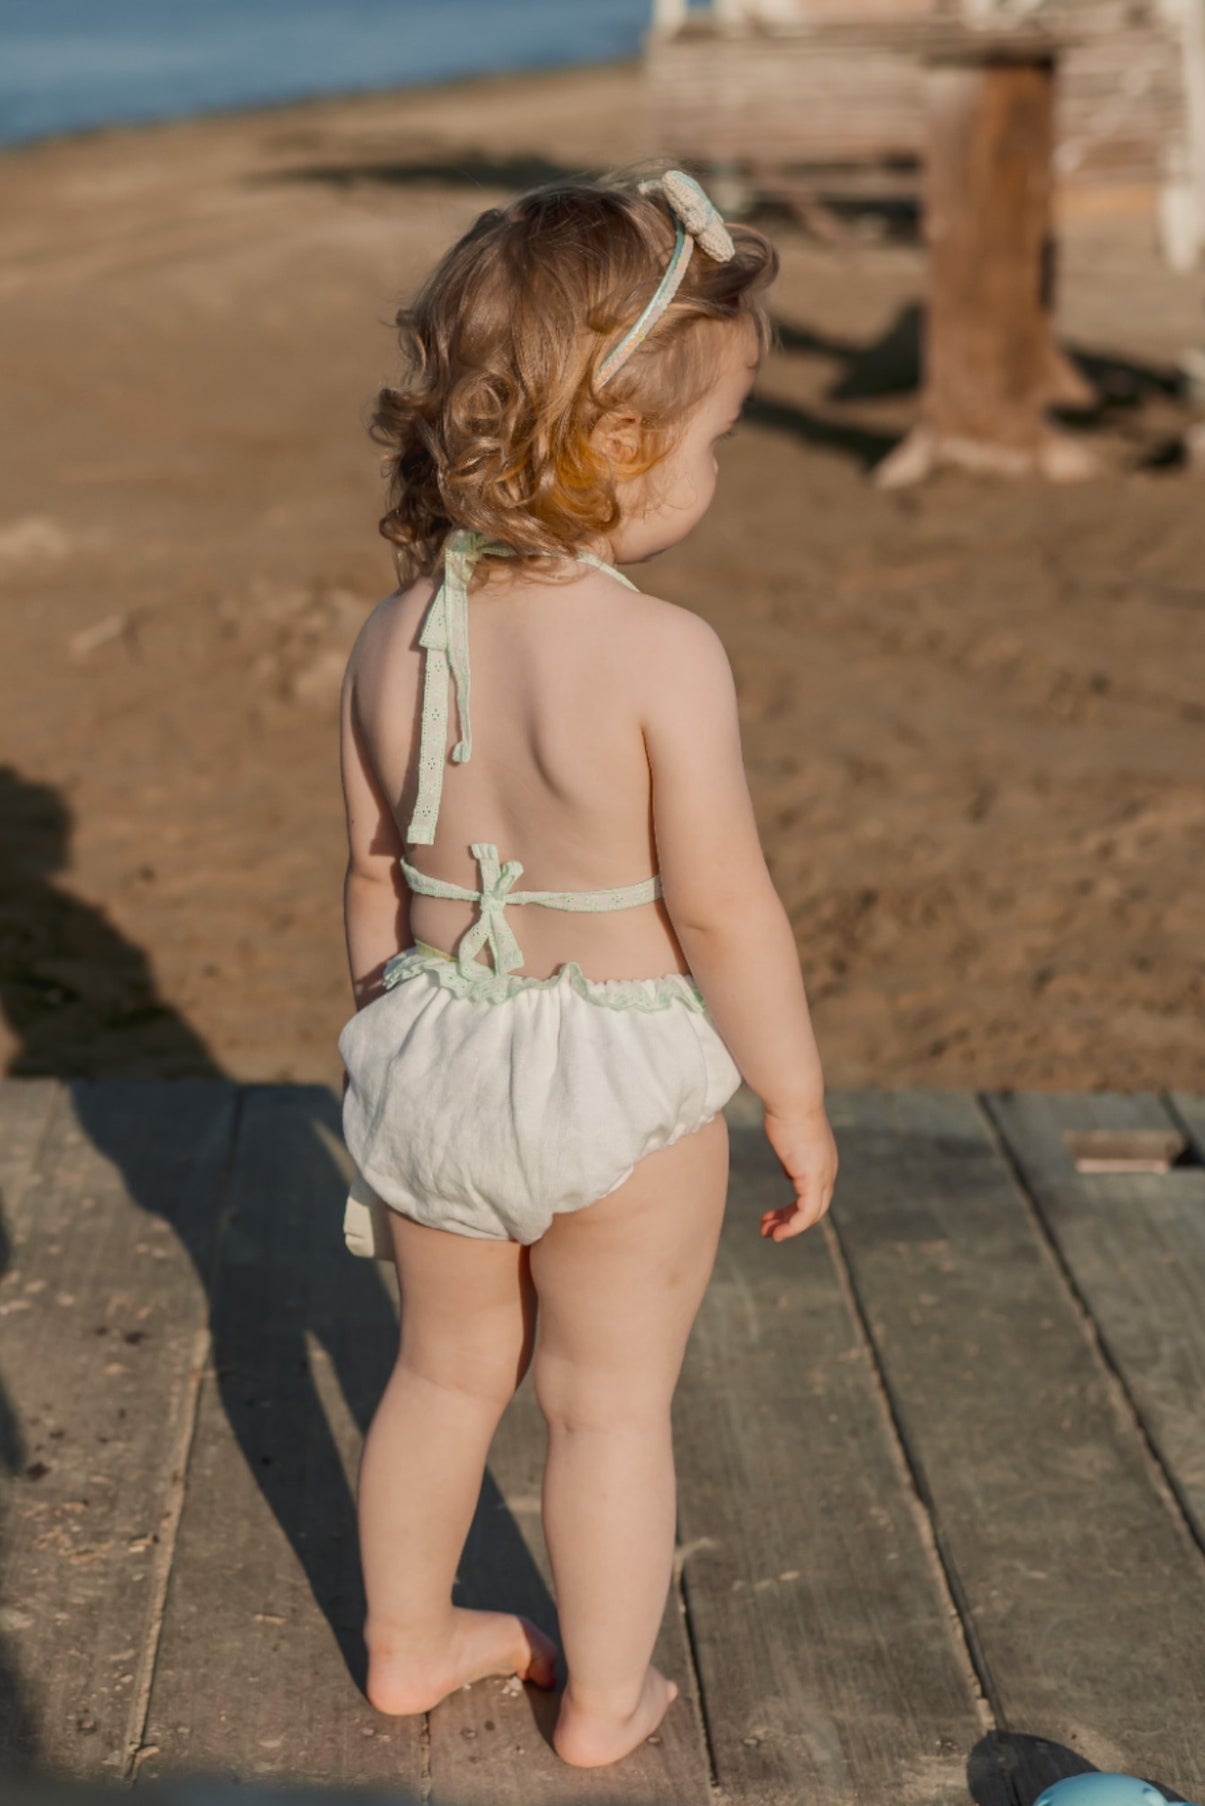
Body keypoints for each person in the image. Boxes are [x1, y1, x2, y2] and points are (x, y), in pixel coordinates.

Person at [335, 168, 838, 1769]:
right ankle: (608, 1700)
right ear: (620, 445)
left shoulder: (394, 633)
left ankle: (411, 1641)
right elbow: (726, 911)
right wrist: (793, 1096)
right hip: (613, 1080)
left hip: (431, 1051)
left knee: (437, 1370)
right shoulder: (661, 655)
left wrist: (392, 1038)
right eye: (710, 441)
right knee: (604, 1406)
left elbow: (367, 869)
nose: (713, 469)